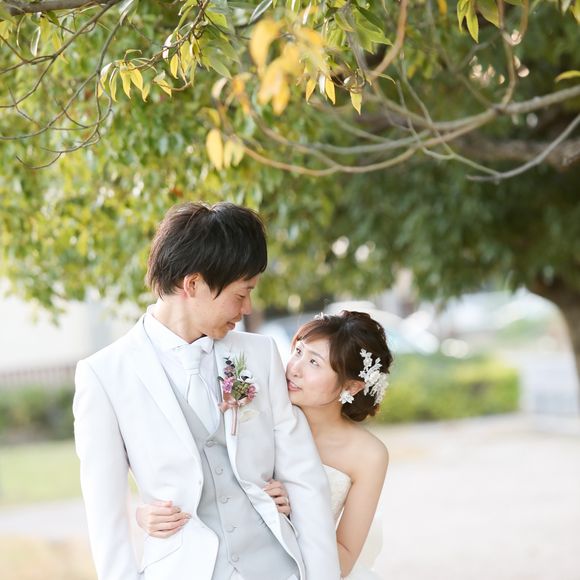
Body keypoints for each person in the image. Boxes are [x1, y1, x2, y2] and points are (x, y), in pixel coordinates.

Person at [73, 202, 341, 580]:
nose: (247, 308)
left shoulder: (259, 354)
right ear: (193, 284)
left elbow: (304, 478)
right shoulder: (103, 375)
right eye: (241, 293)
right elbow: (105, 516)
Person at [138, 311, 392, 579]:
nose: (294, 368)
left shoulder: (368, 455)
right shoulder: (255, 410)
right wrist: (146, 514)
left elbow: (345, 557)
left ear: (351, 387)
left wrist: (295, 515)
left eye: (314, 362)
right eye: (298, 351)